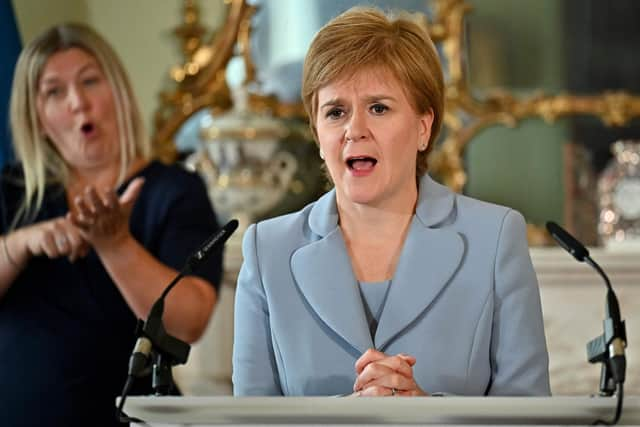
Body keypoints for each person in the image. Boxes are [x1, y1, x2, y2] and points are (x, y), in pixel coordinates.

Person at [232, 6, 550, 397]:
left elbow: (532, 417)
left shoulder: (496, 238)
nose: (354, 130)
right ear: (317, 134)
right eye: (336, 112)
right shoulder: (268, 250)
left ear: (423, 127)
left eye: (378, 108)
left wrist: (425, 415)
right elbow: (247, 421)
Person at [0, 23, 223, 426]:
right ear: (37, 116)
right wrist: (17, 246)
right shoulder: (12, 193)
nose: (78, 102)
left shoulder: (174, 190)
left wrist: (115, 244)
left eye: (90, 81)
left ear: (117, 93)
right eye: (54, 91)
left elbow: (189, 322)